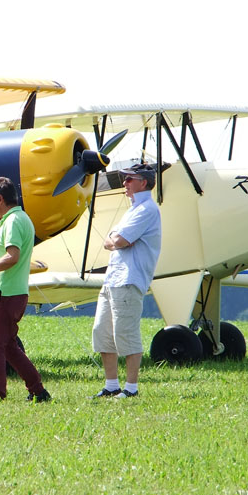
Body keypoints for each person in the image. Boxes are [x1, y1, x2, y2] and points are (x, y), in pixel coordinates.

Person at [91, 163, 162, 399]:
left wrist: (117, 239)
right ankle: (111, 385)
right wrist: (117, 239)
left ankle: (131, 388)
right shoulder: (133, 210)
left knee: (126, 333)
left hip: (129, 279)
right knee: (102, 331)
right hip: (113, 278)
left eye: (129, 179)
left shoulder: (147, 210)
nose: (125, 183)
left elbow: (119, 241)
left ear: (143, 182)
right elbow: (113, 240)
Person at [0, 177, 51, 402]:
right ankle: (38, 390)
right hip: (11, 292)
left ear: (1, 199)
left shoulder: (12, 221)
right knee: (8, 346)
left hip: (5, 294)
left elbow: (12, 256)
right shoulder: (18, 218)